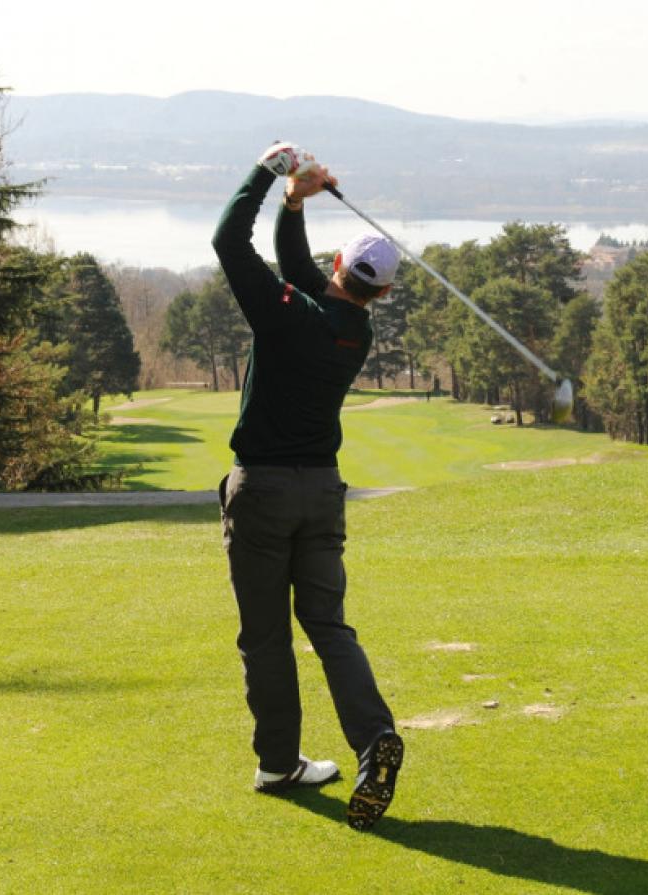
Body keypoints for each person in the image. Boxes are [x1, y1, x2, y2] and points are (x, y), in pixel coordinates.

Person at [211, 142, 404, 831]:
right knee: (327, 624)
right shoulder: (354, 330)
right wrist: (295, 203)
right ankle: (371, 736)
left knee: (265, 634)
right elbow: (294, 269)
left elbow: (226, 240)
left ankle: (278, 761)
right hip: (322, 492)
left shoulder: (285, 311)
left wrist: (267, 174)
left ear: (337, 266)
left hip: (260, 491)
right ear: (379, 290)